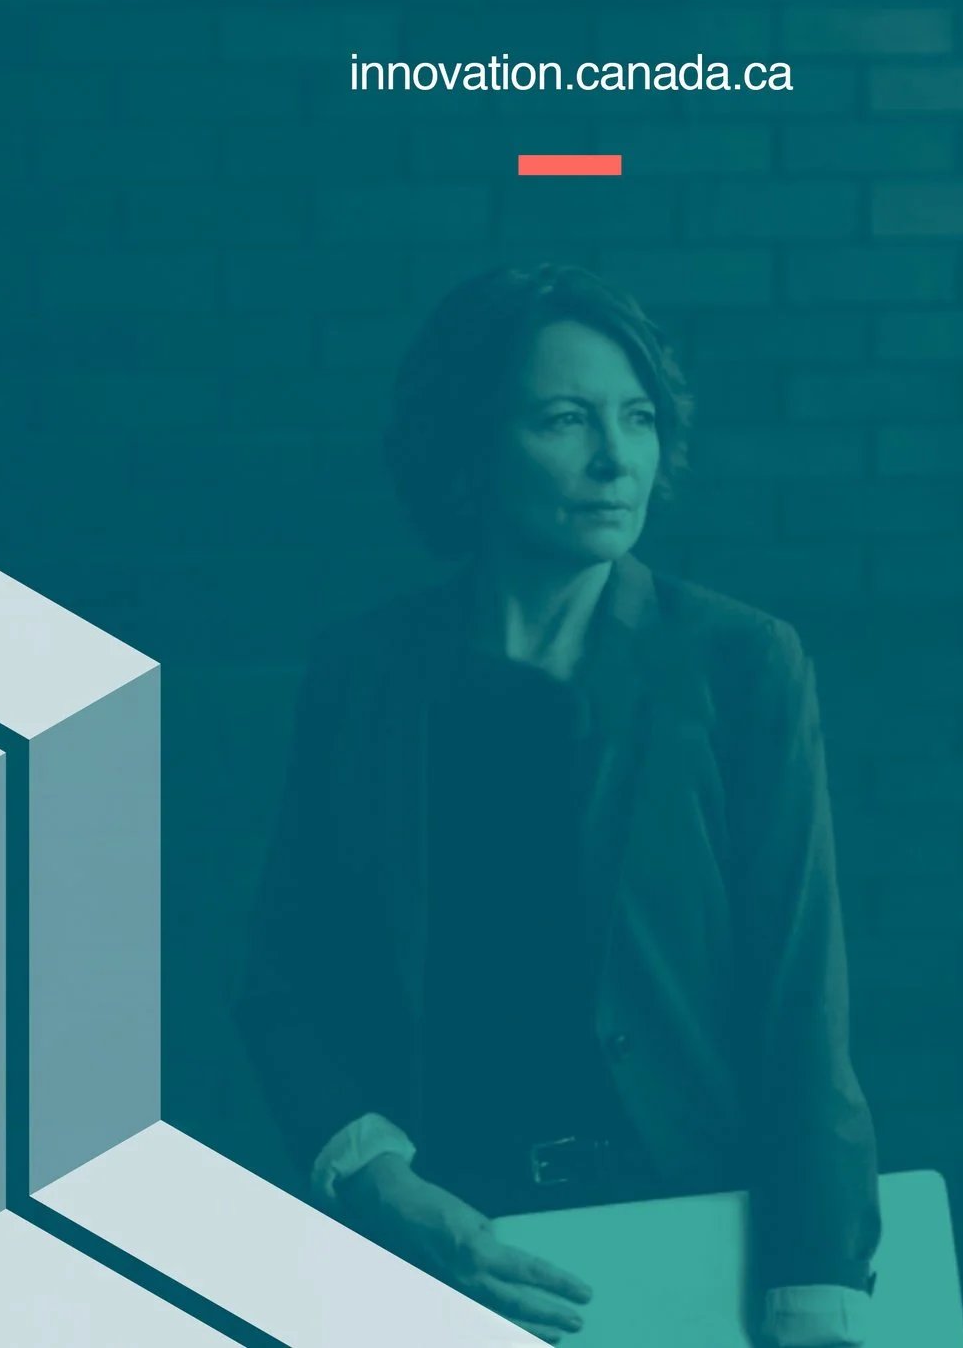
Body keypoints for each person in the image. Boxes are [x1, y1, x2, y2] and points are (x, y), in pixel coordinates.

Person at [238, 264, 880, 1346]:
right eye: (565, 419)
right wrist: (378, 1178)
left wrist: (817, 1296)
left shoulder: (740, 664)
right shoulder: (365, 672)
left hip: (691, 1241)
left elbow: (798, 1003)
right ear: (474, 445)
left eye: (636, 419)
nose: (614, 456)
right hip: (440, 1254)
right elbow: (283, 976)